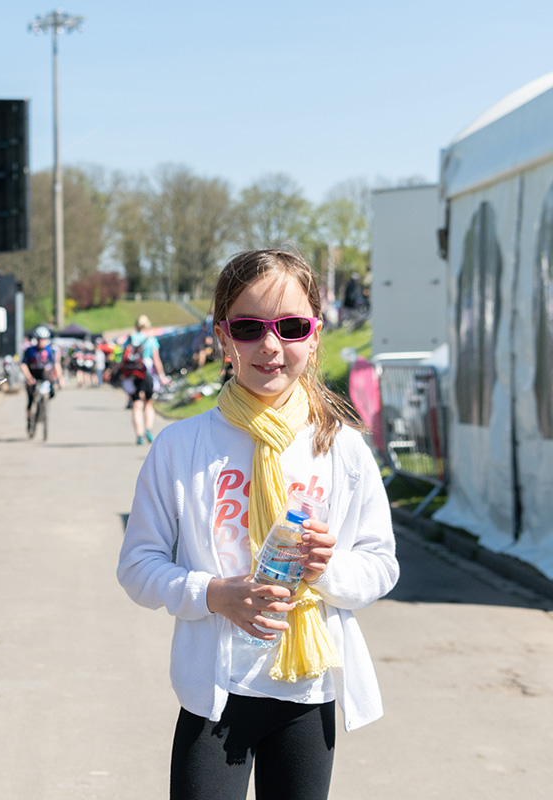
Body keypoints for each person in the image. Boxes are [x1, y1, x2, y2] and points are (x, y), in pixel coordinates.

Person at [116, 249, 399, 800]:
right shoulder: (181, 446)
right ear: (223, 337)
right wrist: (212, 593)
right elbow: (138, 567)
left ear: (314, 335)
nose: (270, 346)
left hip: (307, 692)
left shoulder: (342, 448)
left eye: (291, 327)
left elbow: (380, 564)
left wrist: (328, 569)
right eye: (249, 328)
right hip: (215, 694)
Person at [122, 315, 168, 445]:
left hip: (132, 374)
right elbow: (156, 360)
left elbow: (123, 357)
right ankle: (148, 429)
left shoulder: (129, 339)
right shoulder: (151, 339)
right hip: (146, 373)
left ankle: (139, 435)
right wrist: (162, 376)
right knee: (148, 403)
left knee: (136, 405)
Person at [19, 325, 63, 414]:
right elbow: (23, 365)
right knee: (31, 399)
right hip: (33, 376)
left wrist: (60, 378)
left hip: (45, 376)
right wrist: (29, 377)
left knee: (52, 391)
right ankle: (29, 417)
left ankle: (44, 407)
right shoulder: (30, 350)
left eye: (44, 339)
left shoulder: (50, 350)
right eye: (40, 339)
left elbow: (56, 364)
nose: (42, 342)